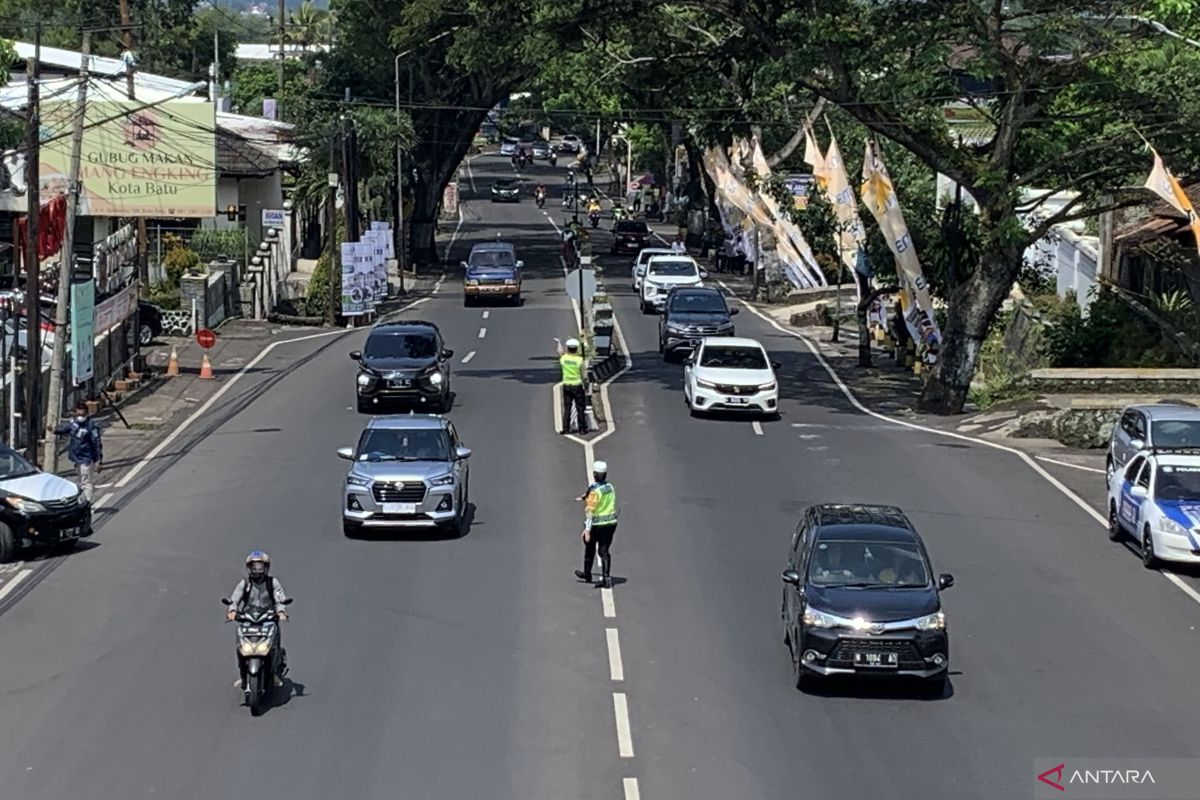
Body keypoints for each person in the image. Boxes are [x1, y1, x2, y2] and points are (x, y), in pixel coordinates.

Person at [225, 551, 290, 688]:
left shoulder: (273, 583)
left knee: (274, 643)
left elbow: (280, 600)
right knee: (240, 646)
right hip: (248, 619)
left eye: (261, 567)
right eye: (254, 567)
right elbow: (234, 599)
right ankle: (243, 675)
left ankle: (273, 674)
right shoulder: (245, 583)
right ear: (249, 568)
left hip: (268, 619)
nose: (258, 571)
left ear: (266, 568)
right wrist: (232, 611)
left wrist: (281, 612)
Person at [575, 460, 618, 587]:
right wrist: (584, 497)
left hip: (597, 524)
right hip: (610, 523)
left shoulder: (594, 490)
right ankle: (606, 577)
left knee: (590, 548)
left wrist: (587, 529)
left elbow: (590, 510)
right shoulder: (610, 487)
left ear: (594, 474)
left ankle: (587, 574)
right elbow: (598, 496)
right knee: (604, 550)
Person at [54, 401, 102, 503]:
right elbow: (65, 429)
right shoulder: (73, 423)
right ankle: (83, 501)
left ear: (87, 414)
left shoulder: (91, 426)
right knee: (81, 482)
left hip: (86, 458)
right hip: (76, 458)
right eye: (78, 414)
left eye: (82, 414)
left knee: (86, 482)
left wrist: (98, 460)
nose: (80, 417)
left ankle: (88, 504)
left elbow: (97, 443)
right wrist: (54, 430)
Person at [554, 336, 589, 434]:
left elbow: (560, 352)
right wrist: (586, 386)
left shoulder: (564, 359)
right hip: (577, 386)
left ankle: (566, 429)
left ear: (568, 348)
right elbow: (585, 376)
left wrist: (559, 343)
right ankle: (582, 429)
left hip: (567, 386)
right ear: (576, 348)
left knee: (567, 407)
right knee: (580, 408)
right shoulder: (579, 360)